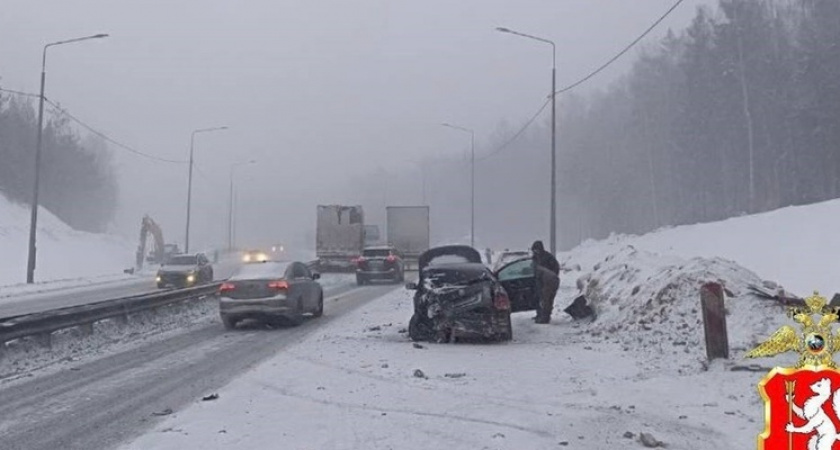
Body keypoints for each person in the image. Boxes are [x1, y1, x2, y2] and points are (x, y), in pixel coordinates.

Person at [531, 240, 560, 324]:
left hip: (549, 282)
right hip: (540, 282)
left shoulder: (548, 257)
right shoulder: (535, 258)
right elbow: (533, 268)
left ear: (540, 249)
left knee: (547, 300)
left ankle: (546, 317)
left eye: (536, 249)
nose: (535, 252)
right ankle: (539, 314)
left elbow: (556, 267)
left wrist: (551, 276)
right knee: (539, 298)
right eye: (534, 250)